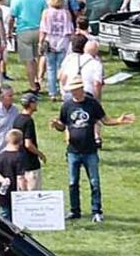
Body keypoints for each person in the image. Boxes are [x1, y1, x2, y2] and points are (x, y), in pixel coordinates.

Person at [51, 77, 135, 223]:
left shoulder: (92, 104)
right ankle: (74, 210)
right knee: (72, 182)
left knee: (94, 182)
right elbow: (63, 126)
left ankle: (96, 211)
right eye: (72, 90)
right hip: (73, 151)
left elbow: (105, 120)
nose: (74, 93)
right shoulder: (67, 105)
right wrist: (56, 125)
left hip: (90, 150)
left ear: (81, 89)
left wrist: (119, 121)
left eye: (76, 90)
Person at [9, 0, 47, 94]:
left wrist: (9, 31)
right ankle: (37, 79)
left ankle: (33, 86)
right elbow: (45, 12)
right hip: (39, 30)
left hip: (24, 30)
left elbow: (12, 16)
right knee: (38, 57)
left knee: (29, 60)